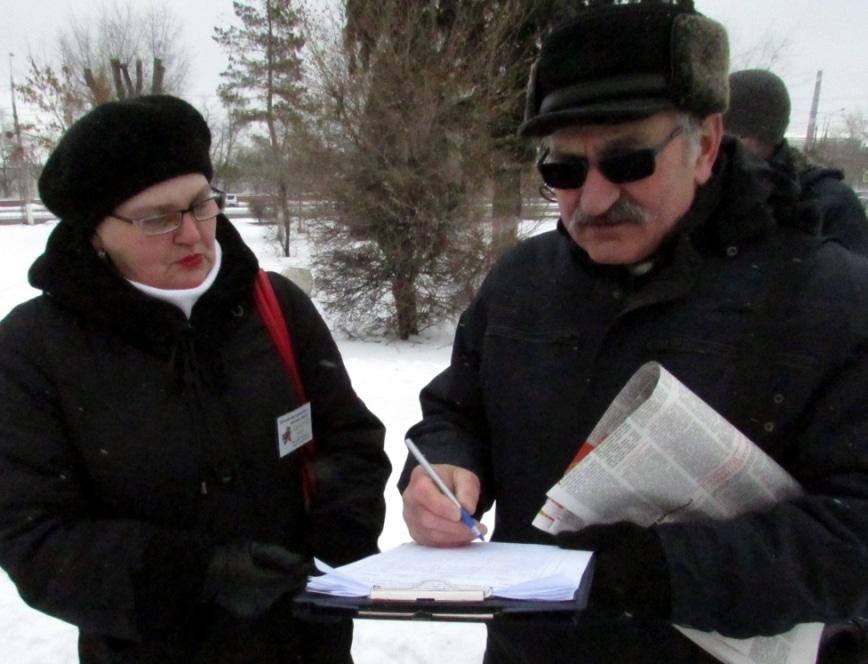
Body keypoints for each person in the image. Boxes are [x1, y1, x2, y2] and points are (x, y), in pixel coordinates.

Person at [399, 3, 868, 663]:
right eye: (564, 170)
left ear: (706, 145)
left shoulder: (828, 300)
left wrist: (659, 571)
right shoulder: (521, 281)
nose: (592, 200)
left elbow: (853, 532)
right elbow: (458, 409)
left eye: (626, 161)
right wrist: (444, 468)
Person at [0, 95, 391, 663]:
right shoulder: (35, 349)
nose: (191, 234)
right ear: (95, 233)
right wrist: (197, 577)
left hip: (304, 646)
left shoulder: (276, 307)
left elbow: (349, 444)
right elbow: (33, 533)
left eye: (201, 204)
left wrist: (330, 555)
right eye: (157, 218)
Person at [725, 68, 868, 254]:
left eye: (726, 134)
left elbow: (853, 270)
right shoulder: (709, 186)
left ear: (752, 136)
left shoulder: (831, 200)